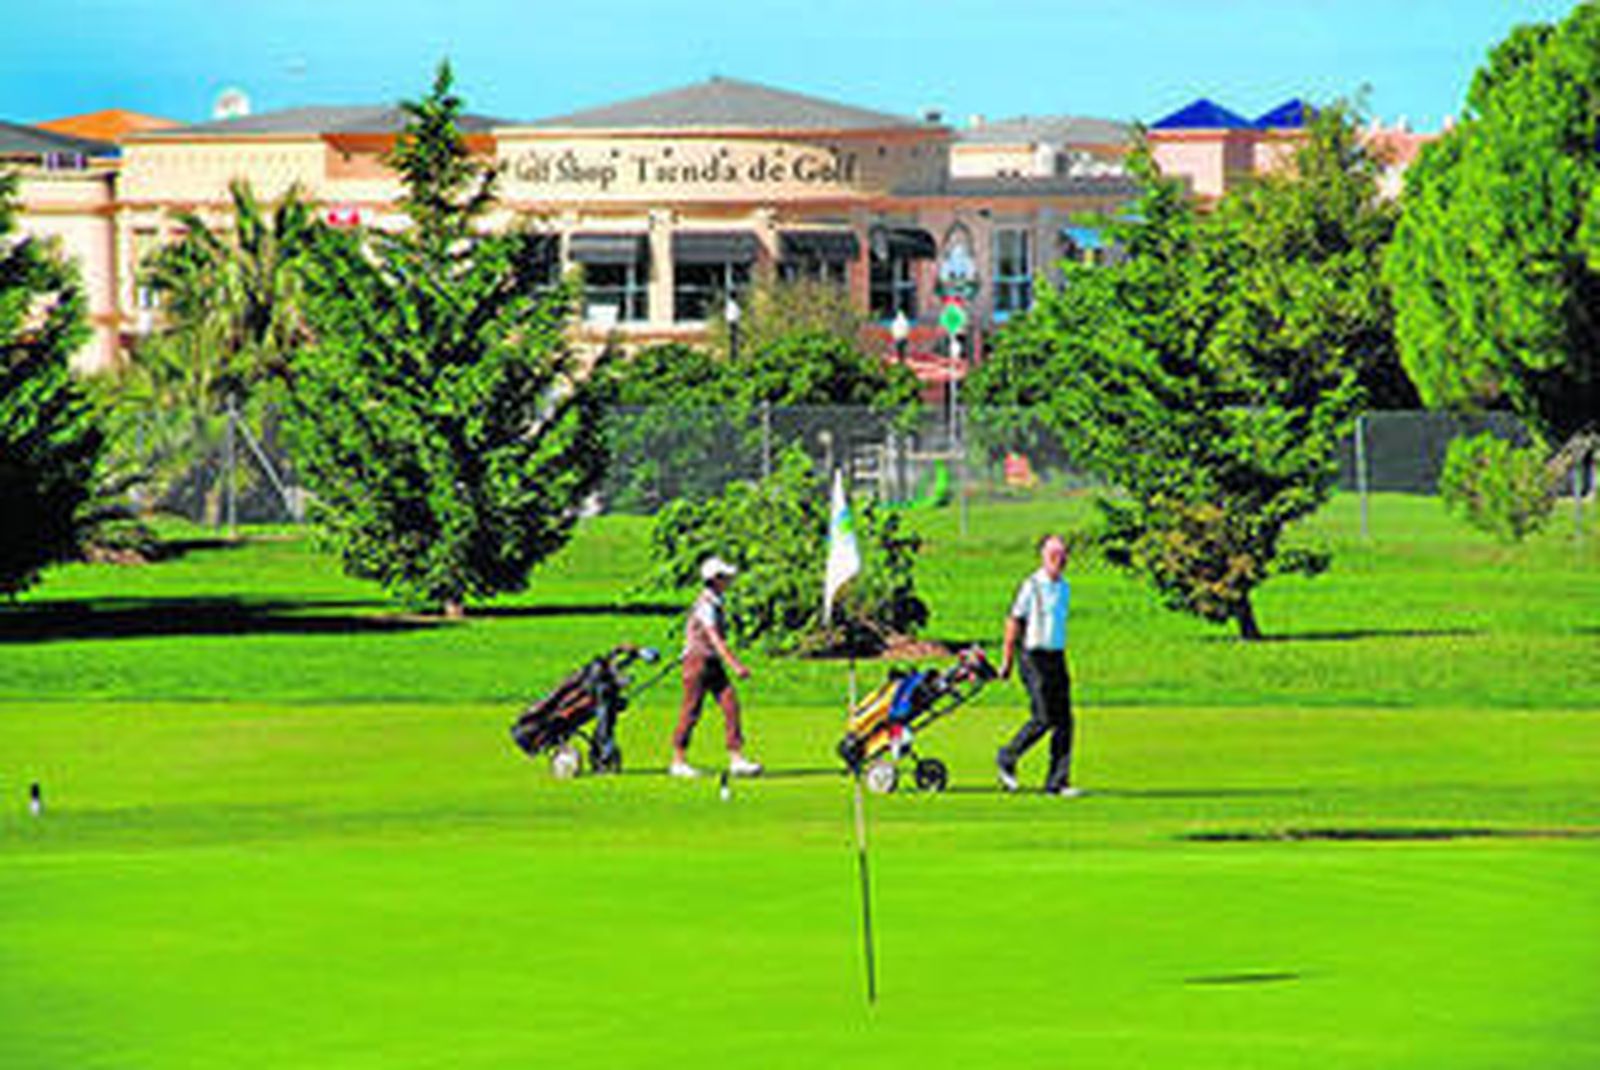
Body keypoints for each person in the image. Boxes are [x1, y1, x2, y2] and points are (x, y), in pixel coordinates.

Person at [996, 533, 1081, 797]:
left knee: (1065, 721)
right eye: (1053, 554)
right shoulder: (1031, 586)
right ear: (1043, 556)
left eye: (1062, 554)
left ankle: (1057, 782)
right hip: (1033, 657)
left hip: (1056, 656)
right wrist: (1007, 661)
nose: (1059, 559)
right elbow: (1013, 622)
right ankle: (1007, 756)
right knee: (1044, 717)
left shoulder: (1065, 587)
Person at [670, 556, 762, 779]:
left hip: (711, 662)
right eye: (725, 577)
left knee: (731, 705)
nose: (729, 580)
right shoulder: (706, 605)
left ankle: (736, 759)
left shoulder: (717, 601)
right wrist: (735, 665)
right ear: (715, 579)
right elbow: (715, 639)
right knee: (691, 710)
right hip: (697, 662)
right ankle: (678, 761)